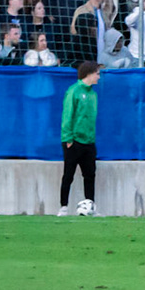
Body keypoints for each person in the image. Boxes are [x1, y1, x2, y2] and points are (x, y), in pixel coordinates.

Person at [58, 61, 101, 217]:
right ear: (89, 74)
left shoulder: (93, 94)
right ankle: (63, 207)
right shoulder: (74, 91)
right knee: (68, 174)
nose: (99, 77)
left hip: (89, 142)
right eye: (97, 73)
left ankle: (90, 206)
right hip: (74, 141)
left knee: (90, 175)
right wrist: (68, 137)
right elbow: (67, 115)